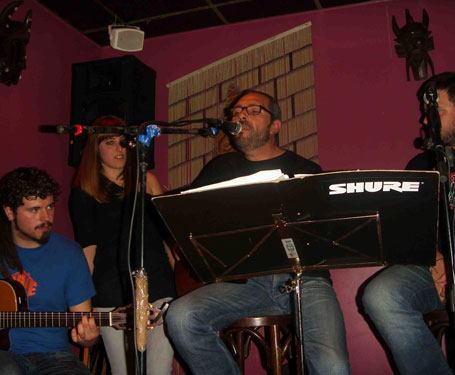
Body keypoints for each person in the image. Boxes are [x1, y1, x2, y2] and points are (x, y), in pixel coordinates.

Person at [166, 89, 351, 375]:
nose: (241, 115)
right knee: (180, 316)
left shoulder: (305, 169)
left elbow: (327, 234)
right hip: (244, 284)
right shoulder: (220, 168)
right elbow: (186, 215)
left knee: (332, 366)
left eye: (253, 110)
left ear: (275, 126)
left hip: (305, 280)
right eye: (237, 111)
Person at [362, 72, 455, 375]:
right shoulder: (419, 166)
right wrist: (436, 259)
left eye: (435, 112)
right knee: (379, 295)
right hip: (432, 267)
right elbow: (406, 227)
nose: (425, 121)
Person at [69, 115, 176, 375]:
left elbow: (167, 239)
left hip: (158, 285)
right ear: (95, 148)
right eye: (110, 142)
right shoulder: (84, 192)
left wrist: (180, 283)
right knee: (125, 371)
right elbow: (88, 251)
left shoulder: (147, 180)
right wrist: (87, 306)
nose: (119, 149)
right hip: (111, 293)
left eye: (123, 142)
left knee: (159, 370)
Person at [0, 167, 98, 375]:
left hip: (54, 358)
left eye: (50, 207)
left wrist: (89, 337)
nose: (46, 217)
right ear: (10, 212)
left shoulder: (70, 254)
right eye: (35, 209)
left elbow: (84, 322)